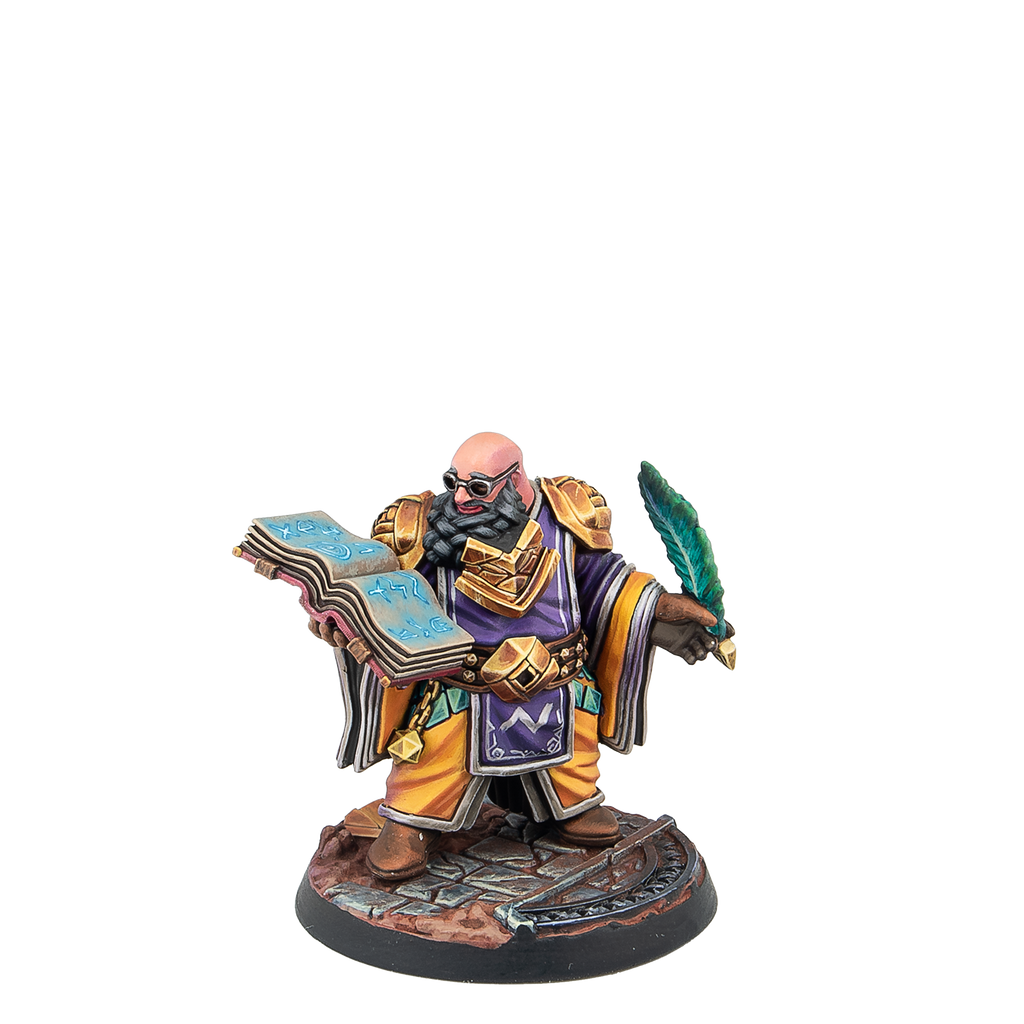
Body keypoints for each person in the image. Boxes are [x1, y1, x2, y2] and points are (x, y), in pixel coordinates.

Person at [312, 429, 727, 881]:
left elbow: (604, 580)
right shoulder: (426, 526)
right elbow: (389, 589)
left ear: (514, 481)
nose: (460, 498)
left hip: (559, 676)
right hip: (462, 684)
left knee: (574, 744)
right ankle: (411, 821)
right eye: (452, 483)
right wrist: (347, 616)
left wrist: (658, 607)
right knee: (435, 753)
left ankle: (573, 804)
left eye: (477, 487)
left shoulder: (567, 514)